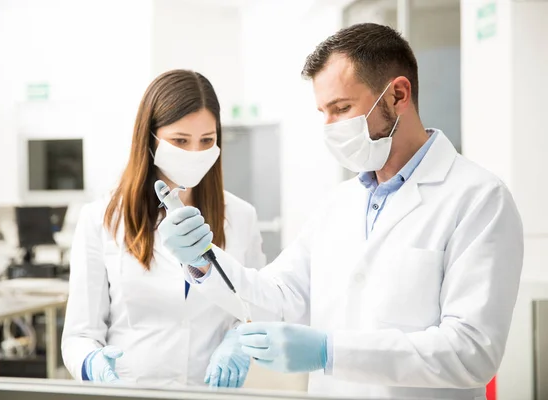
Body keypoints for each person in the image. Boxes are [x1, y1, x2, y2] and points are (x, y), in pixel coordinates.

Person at [157, 24, 524, 399]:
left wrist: (329, 353)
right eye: (323, 112)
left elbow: (472, 352)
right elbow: (278, 297)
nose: (330, 127)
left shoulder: (478, 198)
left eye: (342, 108)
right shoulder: (338, 204)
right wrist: (203, 262)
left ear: (398, 94)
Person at [61, 69, 266, 388]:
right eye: (180, 140)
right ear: (150, 138)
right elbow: (79, 335)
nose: (195, 153)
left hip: (210, 392)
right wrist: (92, 364)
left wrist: (239, 340)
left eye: (207, 140)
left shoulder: (240, 216)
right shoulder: (101, 218)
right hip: (130, 390)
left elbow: (258, 308)